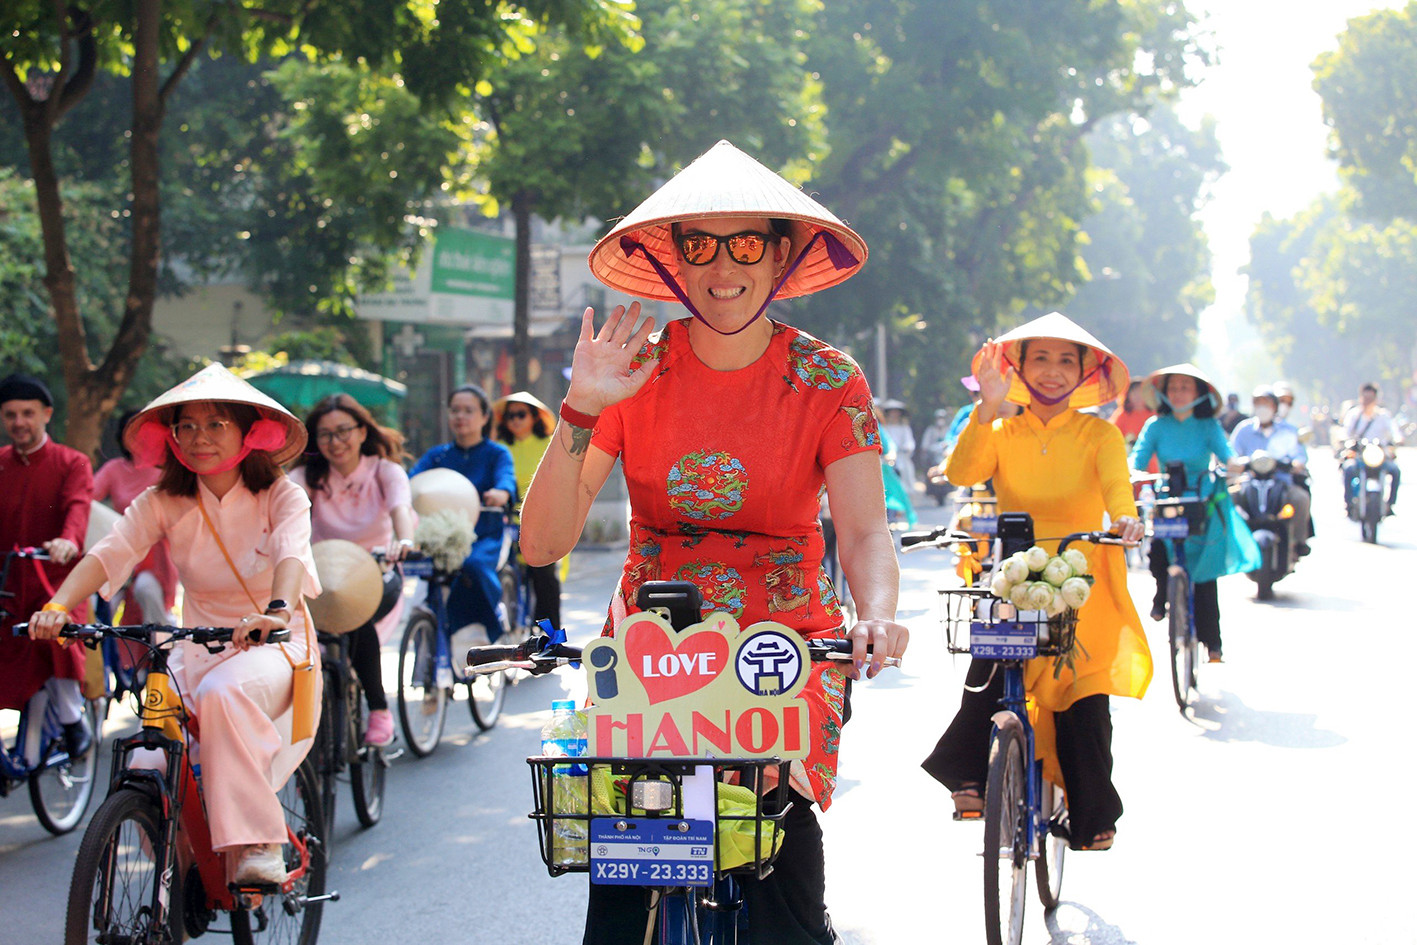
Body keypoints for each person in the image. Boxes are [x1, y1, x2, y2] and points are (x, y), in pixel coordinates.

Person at [518, 139, 909, 945]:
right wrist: (581, 408)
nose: (721, 267)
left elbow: (865, 529)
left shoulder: (829, 379)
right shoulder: (631, 372)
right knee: (622, 844)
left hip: (786, 639)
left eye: (745, 244)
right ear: (675, 261)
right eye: (699, 244)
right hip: (647, 641)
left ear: (778, 257)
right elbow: (541, 542)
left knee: (773, 802)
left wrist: (875, 613)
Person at [28, 364, 319, 885]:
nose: (199, 437)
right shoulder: (161, 500)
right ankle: (182, 876)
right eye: (187, 426)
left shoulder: (282, 495)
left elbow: (291, 556)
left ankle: (258, 840)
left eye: (215, 424)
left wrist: (276, 612)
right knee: (145, 758)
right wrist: (57, 605)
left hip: (278, 645)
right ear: (172, 436)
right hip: (196, 646)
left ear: (248, 431)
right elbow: (109, 552)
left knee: (225, 694)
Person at [921, 312, 1148, 854]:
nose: (1052, 371)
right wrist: (988, 404)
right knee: (990, 658)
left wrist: (1126, 519)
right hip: (1015, 572)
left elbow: (1119, 489)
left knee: (1085, 694)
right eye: (1039, 359)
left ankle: (1092, 815)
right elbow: (960, 473)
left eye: (1065, 360)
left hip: (1081, 576)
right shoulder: (1000, 429)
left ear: (1084, 372)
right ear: (1019, 369)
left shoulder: (1100, 433)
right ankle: (972, 777)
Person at [289, 394, 416, 748]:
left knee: (352, 611)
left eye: (344, 431)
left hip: (377, 573)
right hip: (320, 578)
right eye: (325, 434)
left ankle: (379, 709)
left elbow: (400, 509)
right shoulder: (304, 477)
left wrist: (404, 539)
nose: (335, 442)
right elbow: (282, 518)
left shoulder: (384, 472)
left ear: (362, 432)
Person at [1130, 364, 1259, 662]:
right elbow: (1138, 457)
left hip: (1201, 500)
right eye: (1173, 388)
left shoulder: (1208, 426)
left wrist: (1238, 464)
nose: (1178, 393)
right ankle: (1162, 597)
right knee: (1158, 555)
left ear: (1199, 393)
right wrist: (1131, 472)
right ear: (1164, 393)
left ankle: (1212, 644)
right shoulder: (1156, 425)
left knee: (1203, 574)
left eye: (1185, 387)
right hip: (1167, 499)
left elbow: (1227, 456)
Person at [0, 373, 94, 756]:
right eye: (10, 415)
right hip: (7, 580)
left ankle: (74, 720)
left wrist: (67, 541)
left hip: (53, 578)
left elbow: (77, 507)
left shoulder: (72, 462)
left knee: (55, 632)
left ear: (46, 415)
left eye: (27, 413)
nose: (18, 422)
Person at [410, 385, 516, 647]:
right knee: (429, 575)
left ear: (484, 416)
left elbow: (506, 481)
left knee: (472, 567)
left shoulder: (496, 454)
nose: (460, 416)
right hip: (439, 537)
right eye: (455, 410)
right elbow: (410, 482)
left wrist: (501, 493)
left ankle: (482, 631)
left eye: (468, 411)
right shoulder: (438, 456)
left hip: (484, 535)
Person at [93, 409, 180, 627]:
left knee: (147, 591)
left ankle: (162, 651)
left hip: (155, 559)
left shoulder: (167, 471)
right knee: (102, 604)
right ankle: (103, 658)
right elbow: (87, 500)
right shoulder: (114, 469)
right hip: (120, 552)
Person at [493, 391, 563, 629]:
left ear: (534, 417)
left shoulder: (549, 444)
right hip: (507, 520)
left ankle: (550, 640)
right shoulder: (499, 449)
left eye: (521, 414)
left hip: (541, 519)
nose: (515, 420)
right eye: (510, 415)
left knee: (544, 580)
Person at [1229, 386, 1311, 558]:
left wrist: (1297, 464)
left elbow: (1299, 455)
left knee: (1301, 499)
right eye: (1258, 403)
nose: (1262, 407)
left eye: (1266, 403)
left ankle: (1298, 542)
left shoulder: (1288, 431)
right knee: (1227, 500)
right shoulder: (1243, 430)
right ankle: (1228, 543)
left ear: (1275, 406)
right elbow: (1231, 455)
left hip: (1281, 483)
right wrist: (1234, 465)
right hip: (1249, 482)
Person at [1340, 382, 1402, 512]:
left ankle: (1390, 504)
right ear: (1360, 397)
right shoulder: (1354, 415)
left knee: (1395, 471)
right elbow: (1345, 432)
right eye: (1365, 398)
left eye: (1371, 398)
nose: (1367, 401)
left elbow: (1394, 430)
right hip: (1360, 456)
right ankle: (1348, 503)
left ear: (1376, 399)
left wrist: (1398, 439)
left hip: (1379, 456)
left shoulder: (1383, 416)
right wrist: (1344, 440)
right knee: (1348, 469)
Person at [878, 399, 917, 492]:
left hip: (902, 457)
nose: (894, 414)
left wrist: (906, 448)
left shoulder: (904, 428)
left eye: (896, 412)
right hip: (887, 459)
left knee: (905, 482)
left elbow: (910, 442)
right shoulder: (884, 427)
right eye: (892, 412)